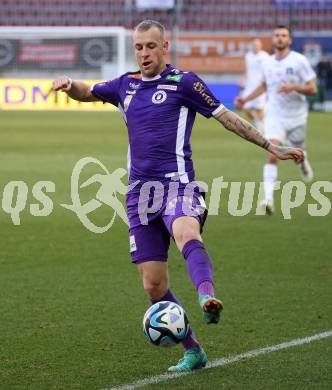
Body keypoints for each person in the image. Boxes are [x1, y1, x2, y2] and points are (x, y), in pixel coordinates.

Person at [52, 20, 304, 372]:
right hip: (140, 196)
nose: (144, 53)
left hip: (178, 185)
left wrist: (270, 145)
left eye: (150, 47)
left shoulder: (184, 83)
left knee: (186, 231)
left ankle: (206, 296)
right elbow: (86, 90)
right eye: (139, 47)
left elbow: (227, 117)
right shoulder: (125, 86)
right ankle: (193, 350)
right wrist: (67, 85)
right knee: (154, 287)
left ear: (164, 47)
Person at [236, 25, 317, 214]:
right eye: (277, 35)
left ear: (289, 40)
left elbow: (313, 89)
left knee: (298, 153)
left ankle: (303, 162)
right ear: (273, 40)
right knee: (272, 151)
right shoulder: (268, 63)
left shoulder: (299, 61)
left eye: (284, 35)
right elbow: (263, 86)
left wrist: (294, 87)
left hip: (297, 116)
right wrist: (245, 99)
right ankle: (268, 199)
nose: (280, 38)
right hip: (275, 115)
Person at [239, 38, 269, 133]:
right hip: (249, 86)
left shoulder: (265, 56)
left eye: (257, 45)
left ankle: (262, 128)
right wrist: (243, 79)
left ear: (261, 46)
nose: (255, 46)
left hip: (260, 87)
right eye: (254, 45)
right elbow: (247, 70)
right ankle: (258, 124)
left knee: (260, 109)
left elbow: (268, 70)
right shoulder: (248, 56)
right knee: (245, 108)